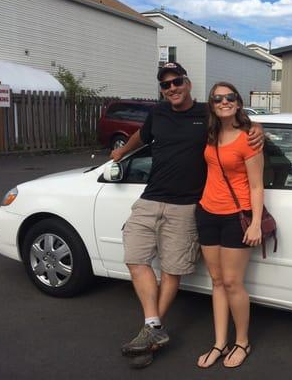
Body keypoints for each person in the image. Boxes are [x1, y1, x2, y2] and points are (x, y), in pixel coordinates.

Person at [112, 63, 263, 368]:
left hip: (210, 210)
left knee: (205, 276)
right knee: (141, 260)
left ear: (188, 83)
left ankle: (240, 342)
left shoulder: (212, 114)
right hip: (182, 205)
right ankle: (164, 328)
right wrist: (120, 153)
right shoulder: (163, 114)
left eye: (177, 81)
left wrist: (259, 129)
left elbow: (244, 129)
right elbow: (141, 137)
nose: (172, 88)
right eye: (165, 85)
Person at [195, 82, 264, 369]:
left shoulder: (249, 138)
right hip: (207, 212)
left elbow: (257, 186)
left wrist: (256, 223)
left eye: (229, 97)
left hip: (237, 217)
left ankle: (242, 342)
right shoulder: (210, 133)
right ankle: (219, 343)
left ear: (238, 101)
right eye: (217, 98)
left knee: (234, 283)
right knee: (217, 281)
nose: (224, 102)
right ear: (211, 104)